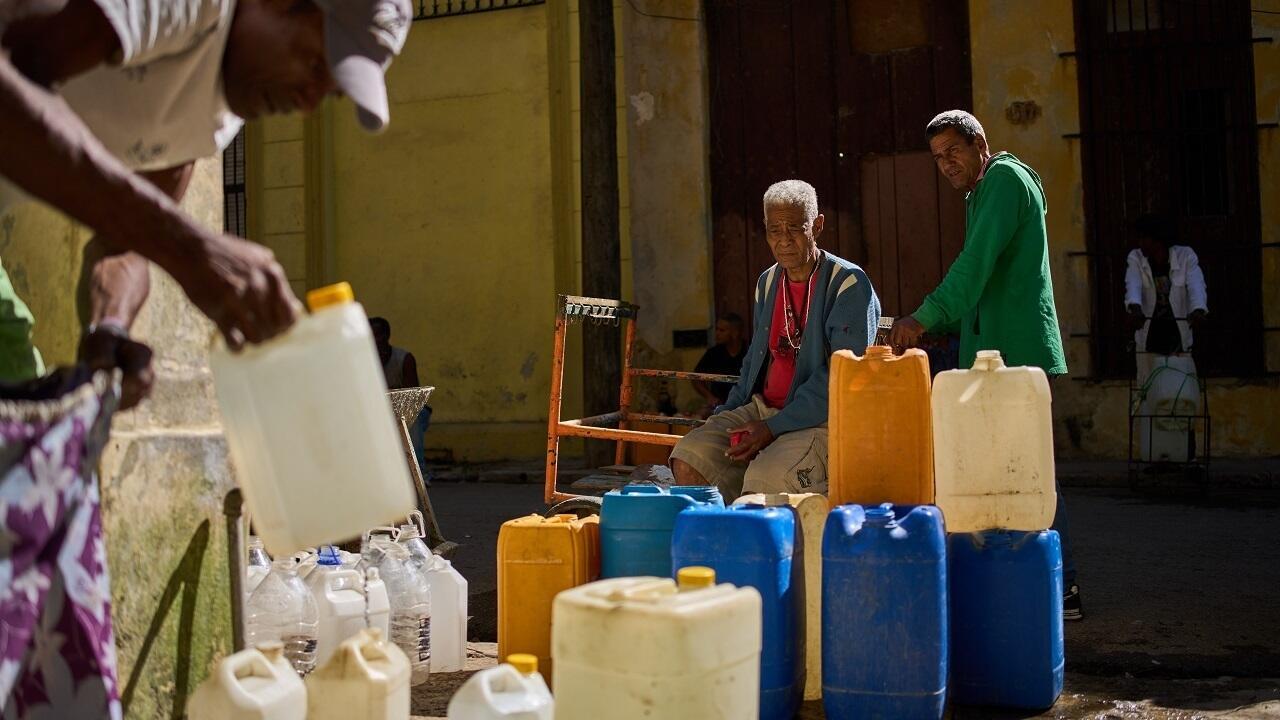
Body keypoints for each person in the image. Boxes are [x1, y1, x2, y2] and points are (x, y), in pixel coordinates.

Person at [0, 1, 411, 715]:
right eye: (316, 64)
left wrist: (106, 335)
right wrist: (193, 248)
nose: (313, 100)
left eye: (333, 89)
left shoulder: (209, 118)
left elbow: (124, 244)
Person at [885, 110, 1081, 620]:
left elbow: (972, 272)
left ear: (979, 143)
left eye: (953, 152)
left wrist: (922, 318)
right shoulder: (983, 192)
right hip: (994, 354)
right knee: (1003, 472)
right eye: (937, 158)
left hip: (1015, 357)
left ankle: (1061, 588)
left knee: (1029, 473)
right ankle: (1024, 585)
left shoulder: (1003, 181)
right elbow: (981, 283)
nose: (946, 165)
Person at [670, 180, 880, 500]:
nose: (784, 241)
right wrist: (725, 414)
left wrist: (774, 428)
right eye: (774, 230)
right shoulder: (767, 282)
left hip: (820, 420)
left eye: (794, 228)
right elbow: (755, 361)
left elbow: (843, 374)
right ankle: (720, 543)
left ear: (818, 226)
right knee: (690, 458)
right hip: (764, 411)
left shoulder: (847, 283)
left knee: (766, 484)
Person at [1125, 214, 1207, 358]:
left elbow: (1196, 286)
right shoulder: (1136, 258)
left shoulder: (1186, 256)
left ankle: (1068, 372)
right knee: (1150, 378)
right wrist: (1134, 308)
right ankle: (1068, 371)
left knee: (1179, 377)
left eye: (1144, 238)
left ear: (1158, 241)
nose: (1140, 242)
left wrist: (1198, 309)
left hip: (1177, 335)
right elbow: (1133, 285)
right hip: (1150, 335)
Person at [372, 316, 431, 481]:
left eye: (376, 335)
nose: (373, 340)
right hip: (380, 412)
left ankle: (419, 473)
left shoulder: (404, 359)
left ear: (386, 336)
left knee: (413, 419)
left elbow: (412, 398)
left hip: (407, 410)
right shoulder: (364, 361)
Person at [691, 312, 747, 418]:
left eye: (722, 330)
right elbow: (695, 378)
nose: (716, 333)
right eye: (716, 329)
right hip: (718, 406)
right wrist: (710, 397)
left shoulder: (749, 351)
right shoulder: (714, 353)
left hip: (744, 406)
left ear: (735, 333)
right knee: (697, 420)